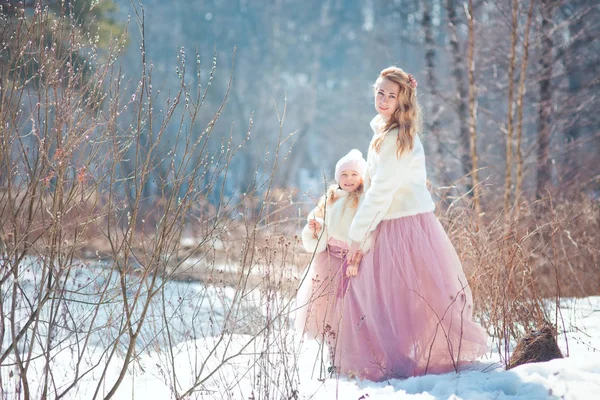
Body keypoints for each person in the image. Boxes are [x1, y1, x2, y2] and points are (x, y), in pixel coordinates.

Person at [334, 67, 488, 381]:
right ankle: (391, 358)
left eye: (392, 95)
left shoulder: (395, 138)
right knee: (389, 294)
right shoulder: (385, 133)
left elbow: (381, 193)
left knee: (392, 293)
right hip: (397, 221)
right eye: (380, 92)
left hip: (401, 226)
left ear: (403, 100)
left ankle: (395, 361)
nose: (384, 99)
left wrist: (357, 235)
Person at [295, 149, 370, 352]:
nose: (349, 179)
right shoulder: (330, 197)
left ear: (362, 177)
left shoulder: (364, 199)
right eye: (344, 175)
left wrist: (356, 258)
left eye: (354, 174)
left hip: (353, 260)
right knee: (326, 305)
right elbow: (317, 217)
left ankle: (352, 347)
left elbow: (368, 230)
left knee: (349, 305)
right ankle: (332, 348)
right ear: (338, 177)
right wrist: (317, 226)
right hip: (328, 259)